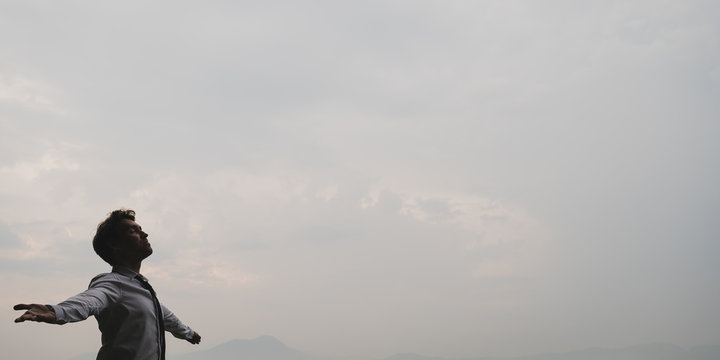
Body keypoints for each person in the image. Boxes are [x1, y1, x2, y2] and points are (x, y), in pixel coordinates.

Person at [13, 209, 201, 360]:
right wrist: (57, 311)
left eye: (140, 228)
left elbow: (164, 316)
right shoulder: (112, 284)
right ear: (114, 245)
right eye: (133, 231)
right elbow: (90, 300)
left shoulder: (142, 290)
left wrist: (187, 332)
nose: (144, 233)